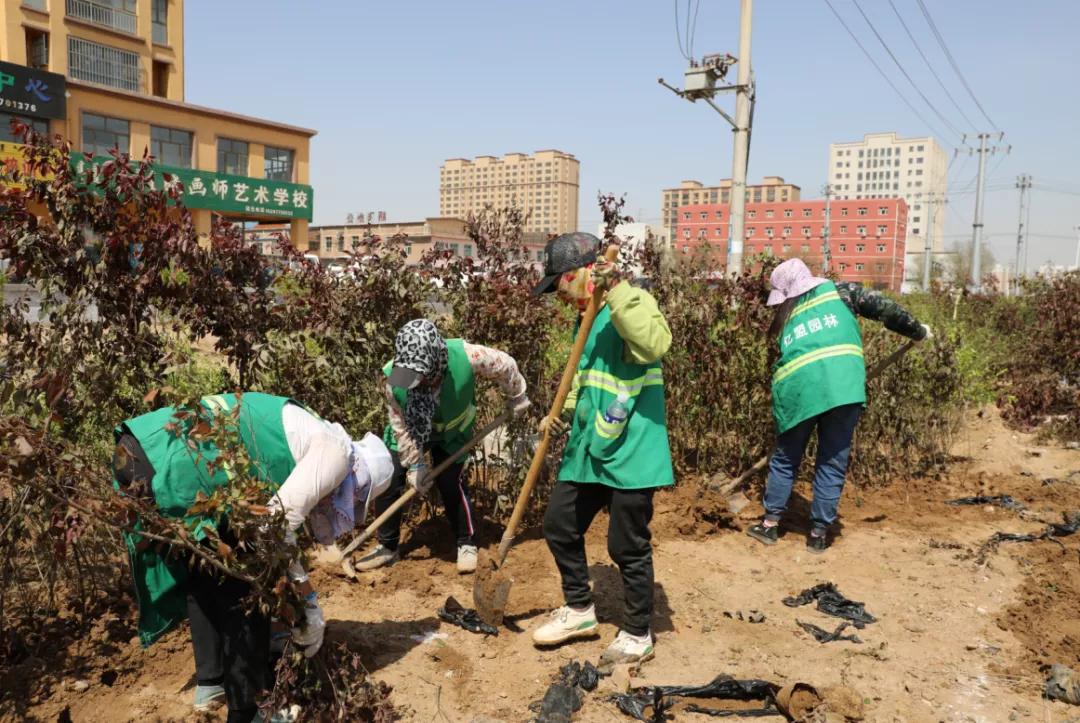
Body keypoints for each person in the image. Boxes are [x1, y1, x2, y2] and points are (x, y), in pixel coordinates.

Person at [113, 392, 394, 723]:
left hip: (137, 450)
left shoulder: (314, 431)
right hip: (166, 460)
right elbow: (274, 527)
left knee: (208, 562)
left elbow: (272, 518)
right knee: (246, 577)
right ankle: (248, 711)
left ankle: (212, 682)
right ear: (360, 479)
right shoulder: (335, 452)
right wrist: (308, 605)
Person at [529, 232, 674, 667]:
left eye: (560, 282)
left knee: (626, 545)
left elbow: (653, 344)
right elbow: (586, 375)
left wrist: (617, 293)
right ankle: (579, 610)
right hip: (590, 444)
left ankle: (636, 633)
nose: (558, 292)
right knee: (558, 524)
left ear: (584, 274)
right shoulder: (586, 316)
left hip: (632, 445)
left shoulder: (632, 301)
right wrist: (561, 413)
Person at [746, 258, 931, 553]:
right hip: (842, 389)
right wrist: (916, 331)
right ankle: (819, 534)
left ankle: (769, 526)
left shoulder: (787, 315)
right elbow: (885, 308)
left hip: (798, 392)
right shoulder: (841, 291)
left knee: (785, 459)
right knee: (831, 460)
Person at [352, 319, 531, 574]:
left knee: (450, 482)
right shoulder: (395, 378)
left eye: (419, 372)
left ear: (435, 358)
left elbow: (506, 366)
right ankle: (387, 546)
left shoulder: (469, 356)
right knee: (392, 477)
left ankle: (465, 542)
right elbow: (400, 425)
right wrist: (416, 464)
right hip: (410, 431)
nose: (414, 379)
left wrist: (517, 396)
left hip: (453, 432)